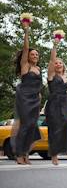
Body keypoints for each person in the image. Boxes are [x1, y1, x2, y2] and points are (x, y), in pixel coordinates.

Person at [11, 23, 42, 165]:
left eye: (36, 54)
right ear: (27, 56)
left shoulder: (38, 68)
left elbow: (39, 85)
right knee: (25, 124)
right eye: (32, 54)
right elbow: (25, 48)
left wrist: (40, 95)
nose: (34, 56)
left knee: (32, 126)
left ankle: (26, 153)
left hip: (36, 99)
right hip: (24, 97)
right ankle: (19, 154)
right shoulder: (26, 65)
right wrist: (27, 32)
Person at [45, 38, 67, 165]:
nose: (57, 64)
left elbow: (66, 90)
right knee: (55, 127)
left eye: (59, 63)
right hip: (54, 102)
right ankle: (54, 154)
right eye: (56, 63)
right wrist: (55, 45)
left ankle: (62, 148)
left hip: (65, 101)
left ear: (63, 65)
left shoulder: (66, 77)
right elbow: (51, 60)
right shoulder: (51, 75)